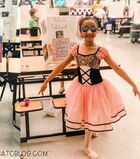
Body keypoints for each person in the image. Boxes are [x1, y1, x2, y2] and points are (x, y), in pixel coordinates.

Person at [38, 17, 140, 159]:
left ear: (97, 31)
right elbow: (61, 66)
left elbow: (116, 68)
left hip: (97, 88)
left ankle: (87, 145)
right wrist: (46, 81)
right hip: (80, 88)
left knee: (93, 112)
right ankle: (89, 138)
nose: (89, 32)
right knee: (87, 113)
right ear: (80, 31)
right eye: (85, 28)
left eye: (93, 28)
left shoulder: (101, 51)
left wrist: (133, 84)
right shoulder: (76, 49)